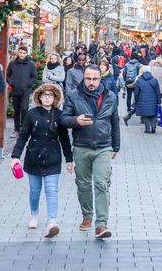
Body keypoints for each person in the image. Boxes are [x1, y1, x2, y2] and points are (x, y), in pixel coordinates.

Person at [60, 65, 120, 239]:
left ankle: (101, 224)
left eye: (95, 79)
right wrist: (75, 121)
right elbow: (63, 120)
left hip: (103, 146)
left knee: (102, 184)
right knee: (83, 184)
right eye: (88, 79)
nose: (91, 82)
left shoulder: (111, 96)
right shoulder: (73, 95)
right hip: (81, 146)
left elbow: (115, 122)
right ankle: (87, 216)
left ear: (100, 79)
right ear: (83, 78)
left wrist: (116, 146)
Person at [11, 84, 73, 238]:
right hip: (34, 157)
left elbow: (64, 138)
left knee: (51, 190)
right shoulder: (32, 114)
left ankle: (52, 221)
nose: (47, 97)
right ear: (39, 97)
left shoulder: (60, 115)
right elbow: (23, 135)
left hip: (53, 157)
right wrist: (15, 157)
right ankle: (34, 214)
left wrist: (69, 159)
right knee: (34, 191)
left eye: (50, 95)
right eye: (44, 94)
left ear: (55, 98)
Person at [6, 46, 37, 139]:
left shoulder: (31, 64)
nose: (22, 54)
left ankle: (24, 128)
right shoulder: (12, 64)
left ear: (26, 53)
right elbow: (8, 75)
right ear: (18, 53)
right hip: (15, 90)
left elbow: (33, 76)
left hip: (25, 90)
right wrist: (11, 82)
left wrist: (29, 84)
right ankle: (16, 129)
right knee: (16, 111)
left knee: (24, 109)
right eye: (20, 52)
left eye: (23, 53)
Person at [134, 66, 161, 134]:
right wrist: (159, 101)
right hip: (153, 100)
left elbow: (136, 92)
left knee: (145, 115)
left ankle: (147, 129)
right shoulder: (154, 80)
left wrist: (136, 100)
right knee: (153, 114)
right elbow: (158, 92)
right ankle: (153, 126)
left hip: (142, 100)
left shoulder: (139, 81)